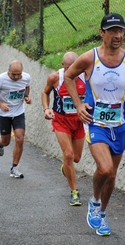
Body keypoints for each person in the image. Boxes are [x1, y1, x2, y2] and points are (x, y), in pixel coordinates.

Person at [64, 13, 125, 236]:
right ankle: (93, 201)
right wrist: (79, 104)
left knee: (112, 176)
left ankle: (102, 213)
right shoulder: (90, 58)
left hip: (120, 125)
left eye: (121, 30)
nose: (118, 35)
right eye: (112, 30)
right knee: (105, 168)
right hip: (96, 123)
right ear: (102, 33)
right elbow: (68, 76)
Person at [41, 52, 86, 206]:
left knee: (76, 158)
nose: (71, 72)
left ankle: (66, 167)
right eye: (68, 68)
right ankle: (74, 192)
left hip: (79, 122)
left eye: (75, 68)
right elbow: (45, 92)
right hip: (61, 121)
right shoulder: (55, 78)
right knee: (68, 154)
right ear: (62, 65)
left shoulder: (87, 76)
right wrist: (46, 108)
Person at [0, 60, 32, 178]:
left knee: (20, 138)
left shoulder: (26, 77)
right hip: (4, 114)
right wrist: (0, 103)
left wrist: (26, 97)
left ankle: (14, 168)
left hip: (18, 112)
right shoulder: (1, 79)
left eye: (19, 74)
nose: (16, 77)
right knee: (6, 142)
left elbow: (27, 87)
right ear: (9, 71)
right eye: (13, 74)